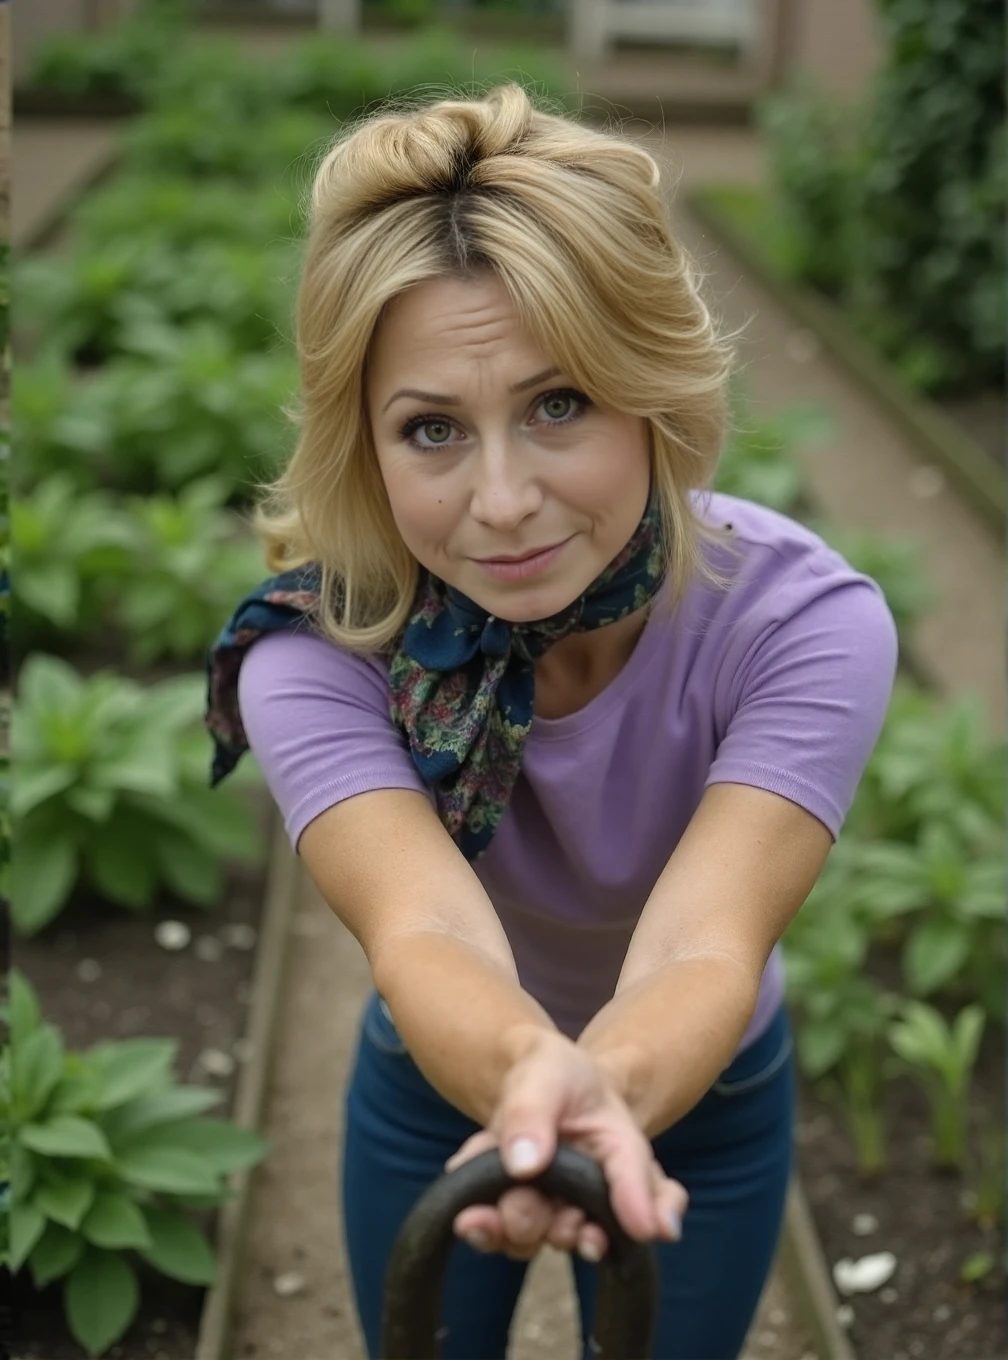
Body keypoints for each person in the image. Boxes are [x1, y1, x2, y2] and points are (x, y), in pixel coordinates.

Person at [204, 84, 898, 1360]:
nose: (505, 500)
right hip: (434, 1079)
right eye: (431, 430)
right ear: (363, 444)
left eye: (561, 402)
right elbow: (423, 927)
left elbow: (700, 946)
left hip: (713, 1099)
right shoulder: (316, 650)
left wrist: (592, 1094)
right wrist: (531, 1076)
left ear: (653, 388)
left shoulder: (801, 622)